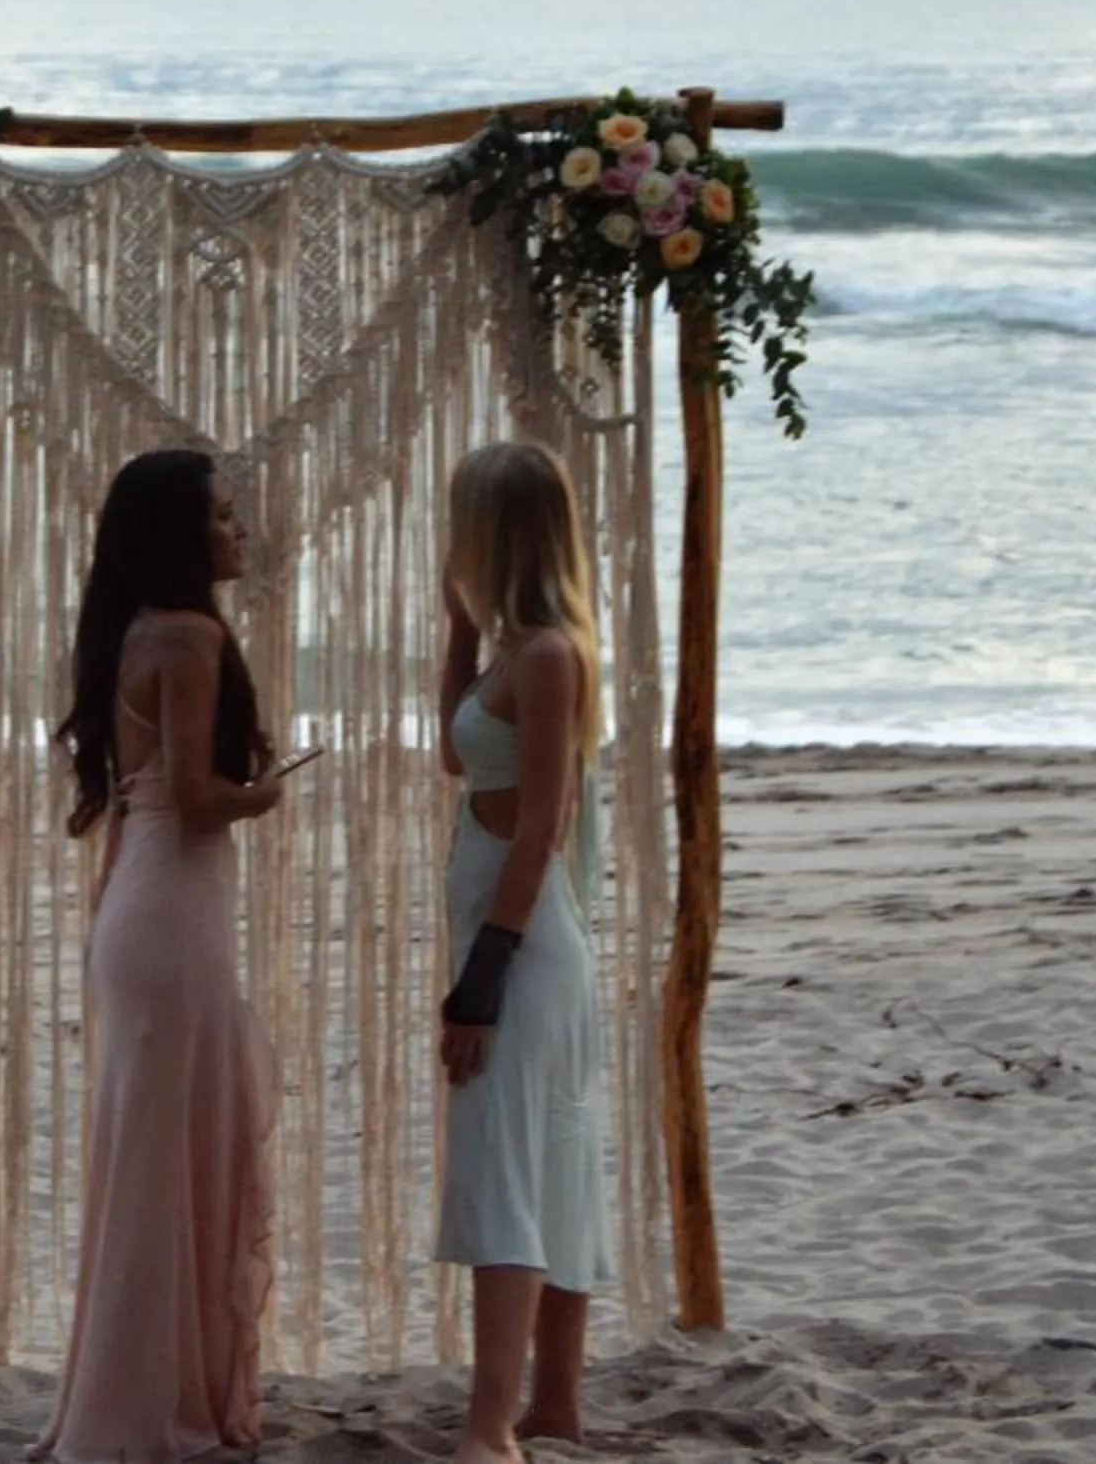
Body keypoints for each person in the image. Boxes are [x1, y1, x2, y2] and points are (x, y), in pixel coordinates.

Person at [35, 448, 287, 1464]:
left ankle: (134, 1383)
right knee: (171, 1154)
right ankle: (151, 1401)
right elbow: (195, 792)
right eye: (225, 516)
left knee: (148, 1155)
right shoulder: (189, 633)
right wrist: (267, 792)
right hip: (173, 905)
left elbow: (143, 790)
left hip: (139, 904)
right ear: (183, 536)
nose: (241, 531)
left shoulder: (134, 628)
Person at [432, 439, 613, 1463]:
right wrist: (458, 631)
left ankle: (492, 1423)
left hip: (526, 950)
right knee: (548, 1159)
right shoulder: (515, 651)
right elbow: (455, 752)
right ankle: (556, 1404)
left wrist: (481, 982)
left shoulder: (549, 657)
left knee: (513, 1165)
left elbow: (539, 827)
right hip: (518, 940)